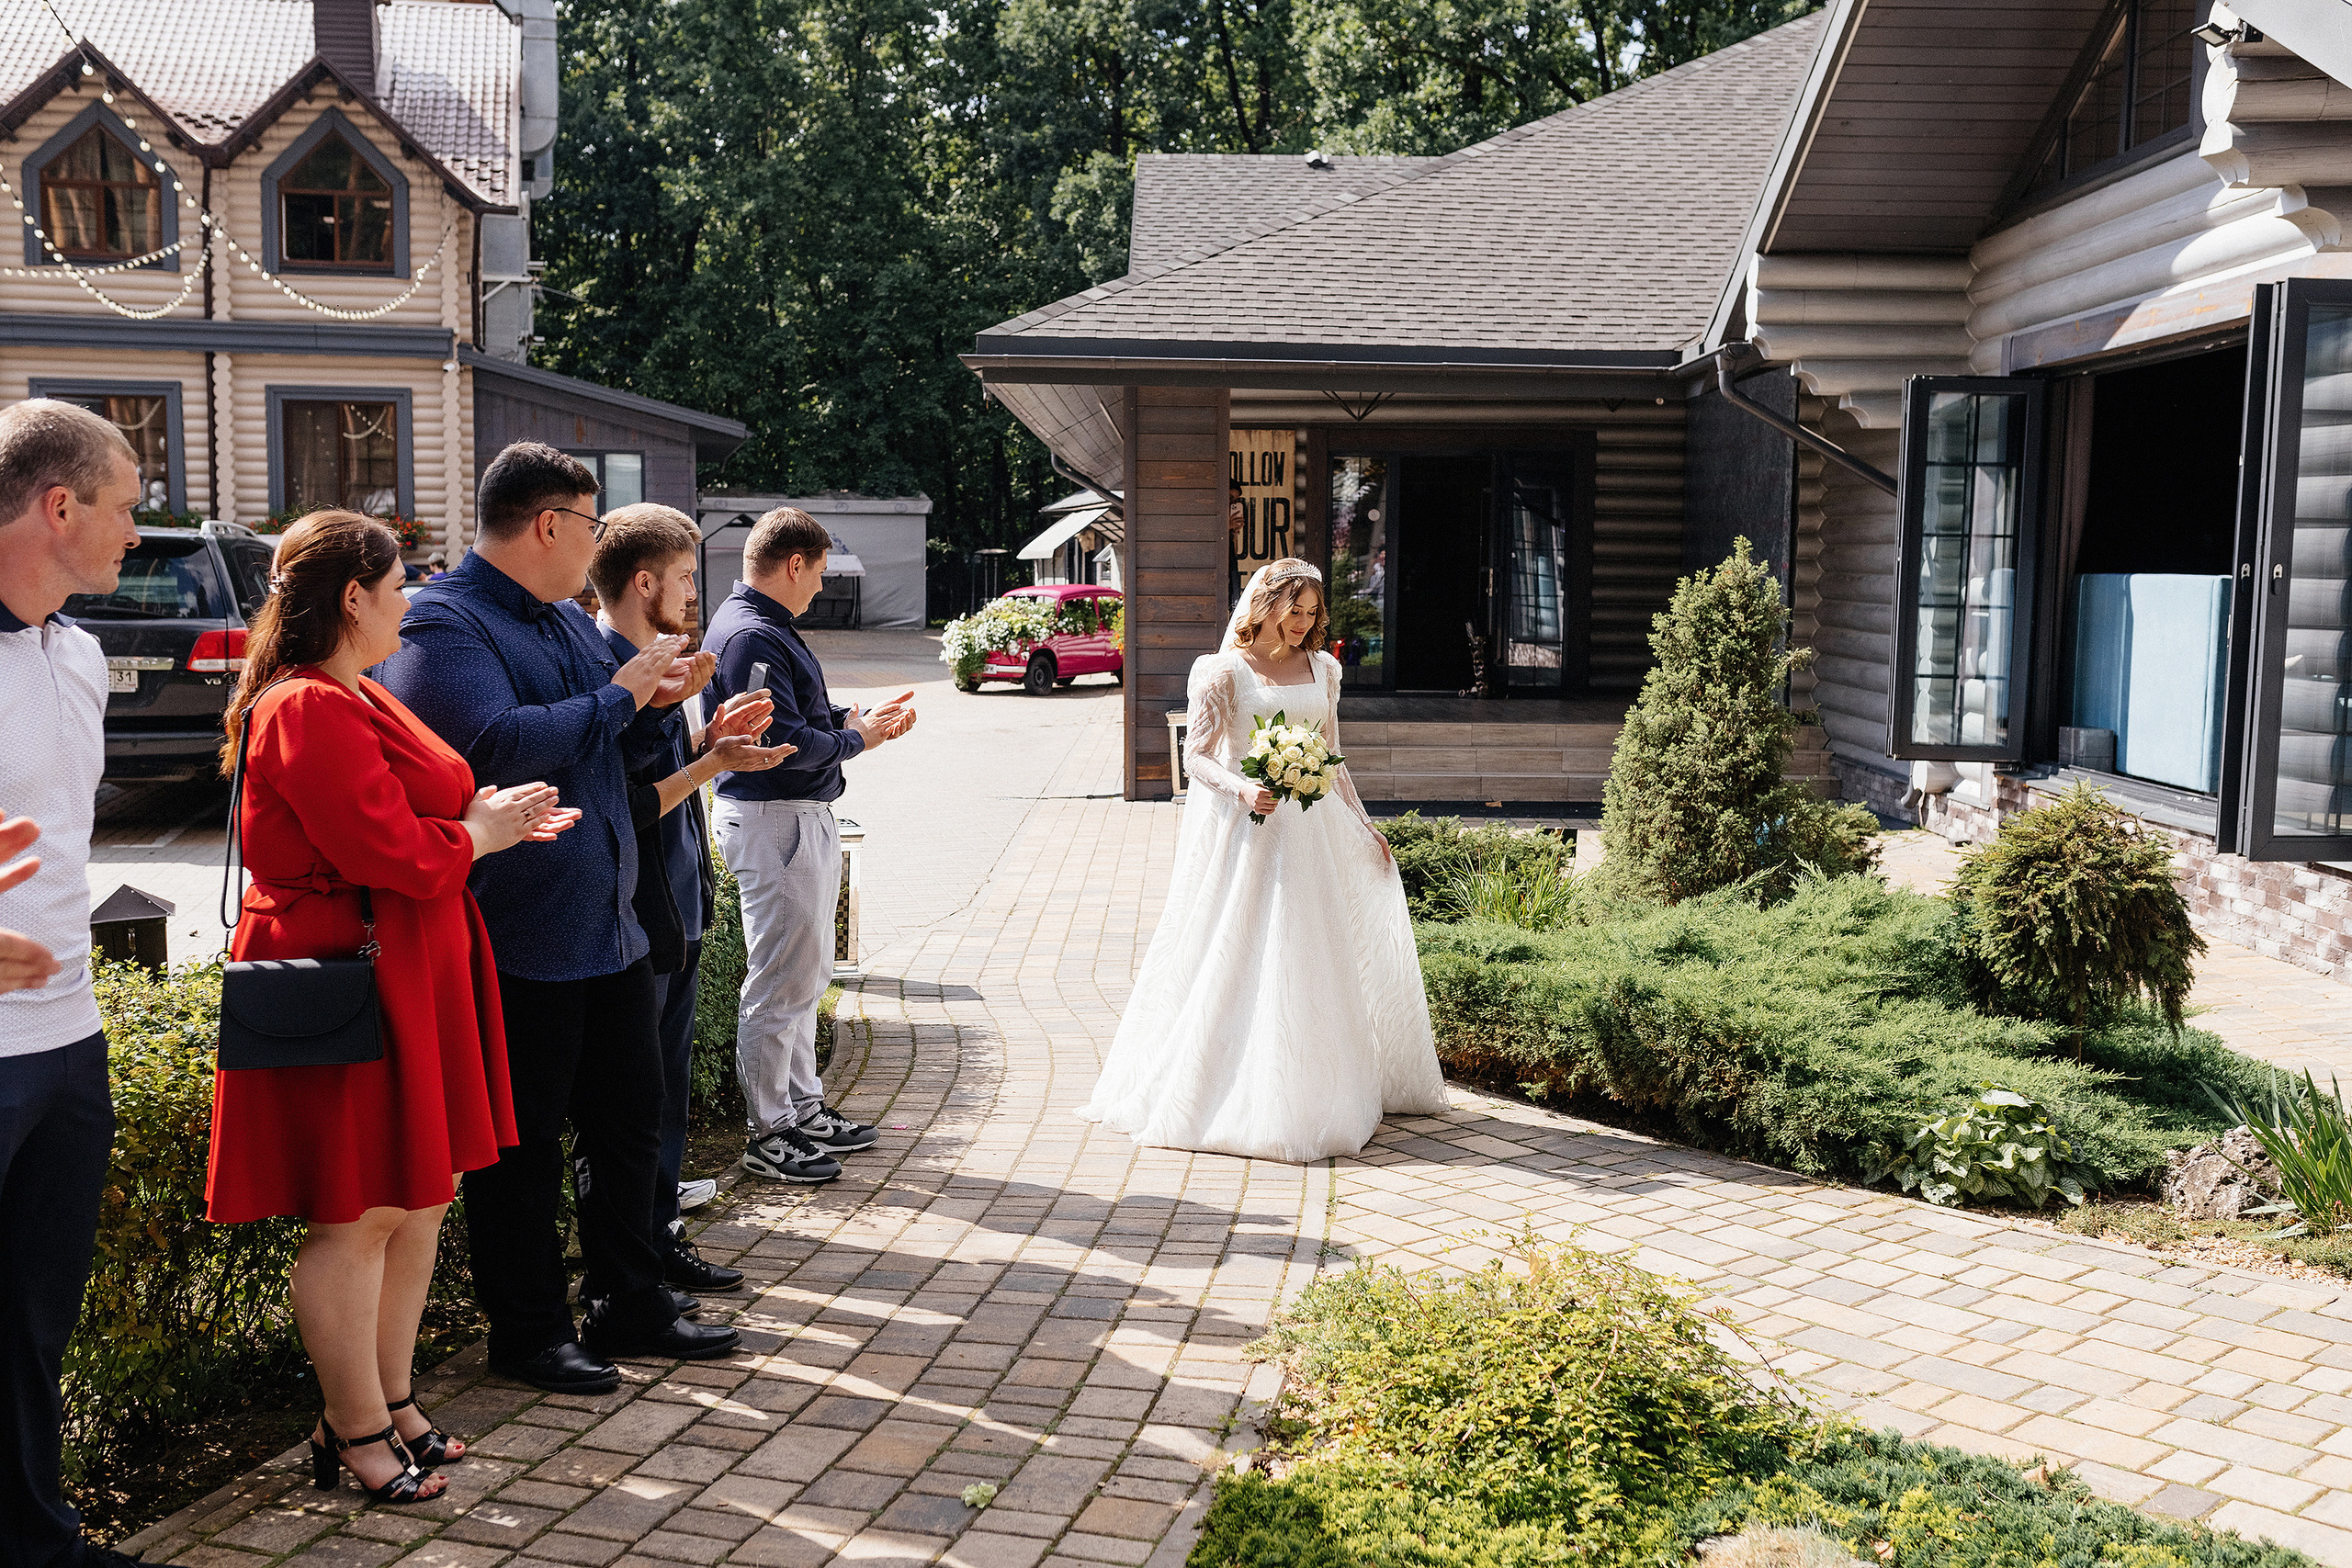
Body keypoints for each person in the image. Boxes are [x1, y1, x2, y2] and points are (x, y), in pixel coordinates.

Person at [204, 512, 573, 1504]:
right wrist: (476, 837)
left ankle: (393, 1402)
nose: (413, 599)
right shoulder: (308, 706)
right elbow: (382, 850)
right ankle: (353, 1427)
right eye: (400, 581)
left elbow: (419, 818)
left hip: (403, 954)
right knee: (360, 1209)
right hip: (355, 967)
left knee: (418, 1198)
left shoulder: (354, 693)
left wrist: (495, 823)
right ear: (354, 596)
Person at [379, 443, 738, 1394]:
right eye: (590, 524)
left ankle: (629, 1297)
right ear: (548, 525)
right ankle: (529, 1330)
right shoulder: (442, 625)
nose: (597, 543)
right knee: (522, 1147)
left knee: (627, 1120)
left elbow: (615, 738)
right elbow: (489, 745)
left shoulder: (571, 624)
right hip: (521, 933)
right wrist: (618, 696)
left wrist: (667, 704)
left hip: (608, 924)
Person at [1079, 559, 1447, 1162]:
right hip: (1251, 828)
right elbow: (1196, 756)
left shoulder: (1323, 668)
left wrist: (1365, 823)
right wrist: (1242, 788)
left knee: (1311, 952)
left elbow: (1333, 756)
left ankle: (1320, 1093)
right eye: (1294, 610)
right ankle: (1229, 1088)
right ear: (1267, 604)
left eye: (1311, 612)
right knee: (1244, 950)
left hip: (1313, 833)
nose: (1304, 622)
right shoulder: (1225, 671)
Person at [0, 398, 149, 1568]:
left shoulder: (83, 652)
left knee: (30, 1322)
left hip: (70, 1040)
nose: (136, 533)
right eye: (126, 507)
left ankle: (38, 1539)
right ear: (59, 508)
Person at [586, 505, 791, 1294]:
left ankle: (659, 1234)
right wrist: (707, 761)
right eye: (681, 578)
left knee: (664, 1092)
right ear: (643, 583)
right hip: (637, 919)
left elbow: (666, 783)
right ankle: (635, 1259)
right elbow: (635, 801)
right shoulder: (615, 674)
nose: (695, 593)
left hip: (678, 908)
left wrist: (710, 741)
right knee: (633, 1106)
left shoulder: (664, 661)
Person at [703, 507, 913, 1185]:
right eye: (819, 572)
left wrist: (849, 721)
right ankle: (771, 1130)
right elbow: (779, 745)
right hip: (775, 817)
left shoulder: (759, 628)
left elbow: (796, 719)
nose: (820, 587)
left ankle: (799, 1107)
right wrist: (860, 738)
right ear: (794, 564)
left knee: (804, 973)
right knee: (781, 981)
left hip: (791, 816)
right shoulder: (751, 636)